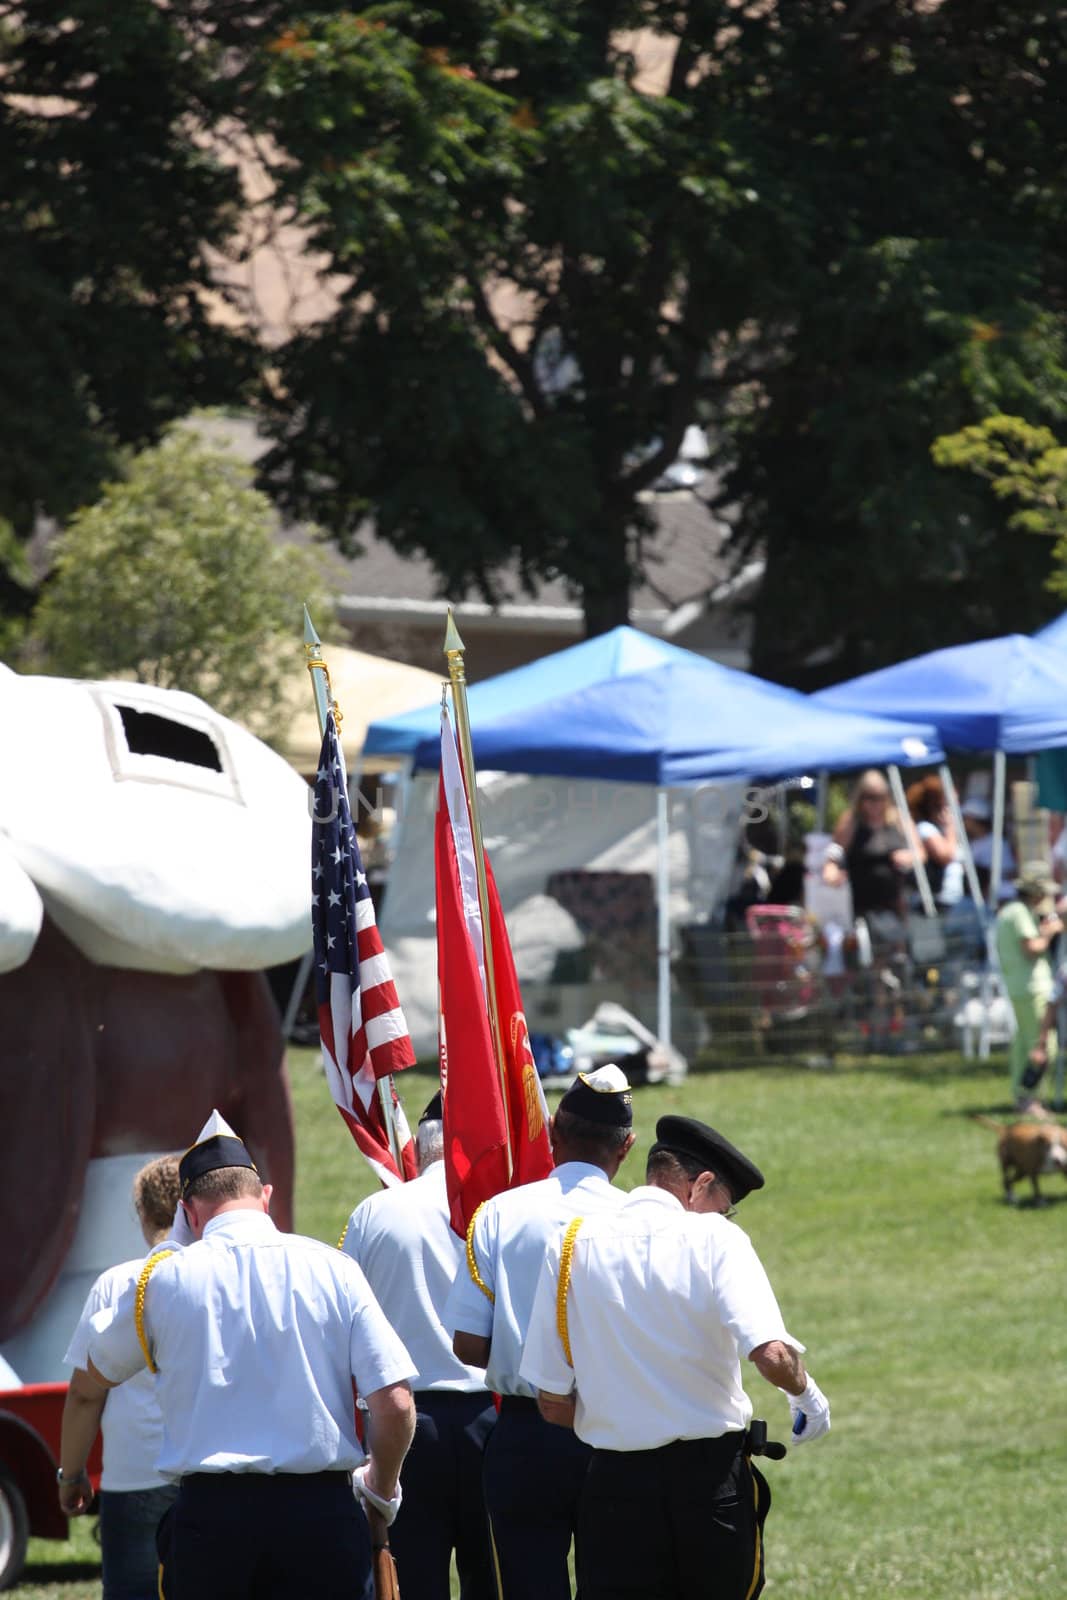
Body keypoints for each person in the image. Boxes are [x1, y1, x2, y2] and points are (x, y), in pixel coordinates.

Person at [58, 1111, 417, 1600]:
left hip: (213, 1525)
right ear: (264, 1197)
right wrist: (380, 1487)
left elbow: (92, 1377)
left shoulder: (162, 1282)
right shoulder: (336, 1269)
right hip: (321, 1521)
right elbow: (395, 1403)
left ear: (188, 1212)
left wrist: (72, 1474)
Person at [519, 1115, 831, 1600]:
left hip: (614, 1485)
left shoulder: (569, 1245)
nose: (722, 1219)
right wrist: (807, 1396)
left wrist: (622, 1418)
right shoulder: (714, 1239)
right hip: (706, 1485)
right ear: (700, 1184)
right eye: (722, 1208)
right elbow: (771, 1354)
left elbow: (551, 1400)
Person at [444, 1065, 636, 1600]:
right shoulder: (640, 1223)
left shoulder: (498, 1214)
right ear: (627, 1147)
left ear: (552, 1130)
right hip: (616, 1436)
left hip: (526, 1436)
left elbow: (469, 1345)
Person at [339, 1092, 496, 1600]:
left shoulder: (373, 1212)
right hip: (487, 1421)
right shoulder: (498, 1213)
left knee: (409, 1581)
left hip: (403, 1422)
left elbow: (345, 1325)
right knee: (494, 1578)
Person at [60, 1156, 183, 1600]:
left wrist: (70, 1474)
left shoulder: (116, 1284)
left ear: (143, 1213)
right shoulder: (217, 1277)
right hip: (207, 1474)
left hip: (134, 1476)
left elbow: (84, 1395)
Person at [822, 769, 922, 946]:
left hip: (897, 900)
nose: (875, 803)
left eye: (880, 797)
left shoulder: (898, 819)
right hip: (863, 902)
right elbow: (835, 850)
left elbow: (920, 852)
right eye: (869, 798)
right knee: (871, 949)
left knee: (898, 945)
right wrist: (831, 867)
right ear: (860, 798)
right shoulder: (851, 821)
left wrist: (909, 856)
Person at [996, 866, 1063, 1114]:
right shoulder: (1020, 913)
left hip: (1019, 986)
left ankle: (1023, 1095)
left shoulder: (1009, 911)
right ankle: (1029, 1098)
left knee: (1023, 1045)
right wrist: (1050, 931)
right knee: (1043, 1045)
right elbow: (1031, 947)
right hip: (1031, 986)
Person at [905, 774, 964, 909]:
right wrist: (950, 827)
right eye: (950, 805)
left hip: (956, 902)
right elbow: (946, 856)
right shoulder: (925, 829)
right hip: (937, 903)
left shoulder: (943, 831)